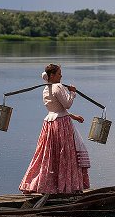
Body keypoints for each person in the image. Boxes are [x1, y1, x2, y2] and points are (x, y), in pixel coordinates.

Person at [19, 64, 90, 194]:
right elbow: (67, 104)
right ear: (52, 75)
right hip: (61, 125)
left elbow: (56, 109)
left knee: (49, 155)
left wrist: (73, 116)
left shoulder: (46, 88)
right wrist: (72, 92)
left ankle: (49, 186)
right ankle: (67, 187)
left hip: (50, 124)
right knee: (65, 154)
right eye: (59, 74)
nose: (61, 76)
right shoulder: (57, 86)